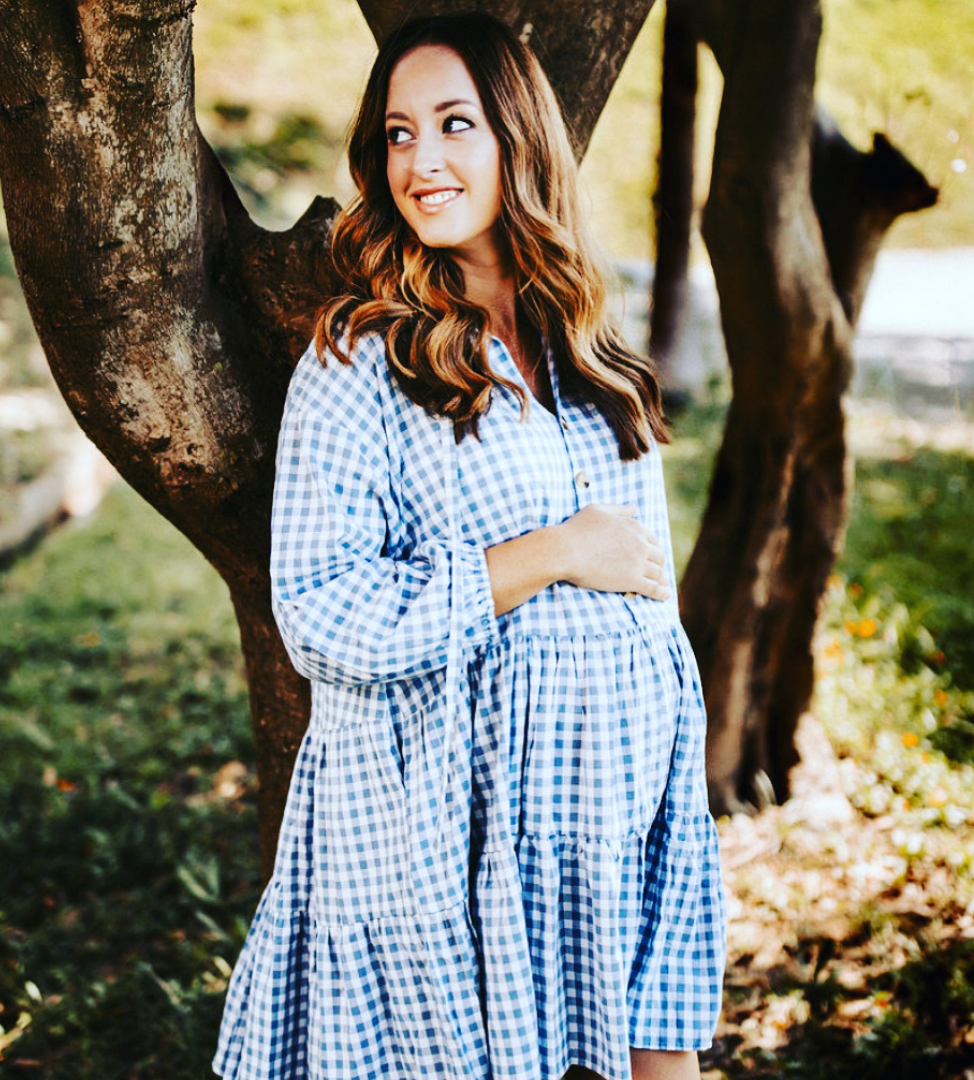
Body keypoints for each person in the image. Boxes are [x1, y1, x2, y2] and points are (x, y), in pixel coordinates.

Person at [213, 12, 725, 1080]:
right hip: (436, 834)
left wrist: (670, 794)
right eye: (398, 133)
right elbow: (319, 613)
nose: (421, 161)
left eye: (455, 124)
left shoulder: (588, 343)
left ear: (519, 140)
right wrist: (548, 551)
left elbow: (647, 590)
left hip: (610, 815)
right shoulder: (358, 363)